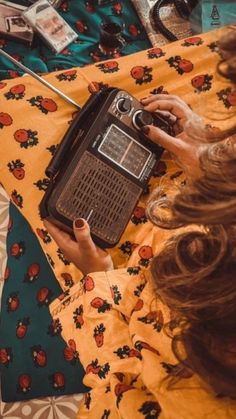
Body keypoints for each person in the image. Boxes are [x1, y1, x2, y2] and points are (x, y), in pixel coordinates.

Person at [44, 30, 236, 418]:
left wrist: (97, 281)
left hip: (125, 306)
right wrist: (217, 167)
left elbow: (121, 392)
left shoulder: (197, 397)